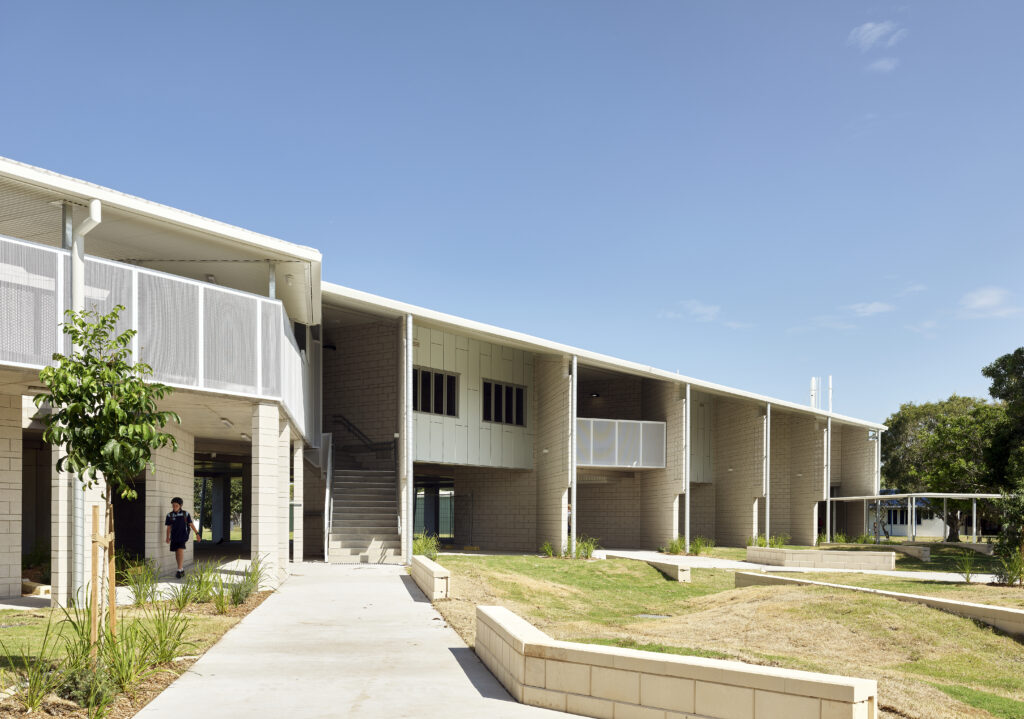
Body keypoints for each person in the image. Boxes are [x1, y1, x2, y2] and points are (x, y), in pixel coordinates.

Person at [165, 496, 201, 579]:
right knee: (177, 552)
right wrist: (167, 537)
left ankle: (179, 569)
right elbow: (168, 527)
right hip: (174, 536)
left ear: (180, 505)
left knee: (180, 550)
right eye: (173, 505)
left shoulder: (185, 514)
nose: (174, 507)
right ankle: (181, 569)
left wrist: (197, 534)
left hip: (183, 536)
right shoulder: (169, 515)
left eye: (176, 505)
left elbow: (191, 524)